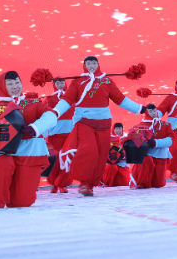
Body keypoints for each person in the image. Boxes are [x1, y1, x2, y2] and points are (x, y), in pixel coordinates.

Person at [53, 56, 145, 197]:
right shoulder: (77, 82)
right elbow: (67, 100)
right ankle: (84, 182)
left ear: (98, 65)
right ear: (84, 66)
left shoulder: (107, 81)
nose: (91, 65)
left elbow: (120, 99)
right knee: (89, 151)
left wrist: (138, 108)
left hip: (104, 123)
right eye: (88, 63)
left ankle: (89, 185)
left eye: (94, 63)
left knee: (101, 156)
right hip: (84, 122)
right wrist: (55, 112)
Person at [0, 71, 57, 209]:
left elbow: (51, 116)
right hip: (2, 152)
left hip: (28, 153)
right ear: (2, 87)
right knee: (2, 162)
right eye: (10, 83)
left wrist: (36, 128)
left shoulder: (33, 104)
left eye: (17, 82)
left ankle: (12, 198)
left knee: (22, 202)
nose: (15, 86)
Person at [130, 104, 175, 189]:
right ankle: (141, 183)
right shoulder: (140, 126)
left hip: (160, 154)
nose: (153, 113)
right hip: (146, 154)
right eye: (150, 111)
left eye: (154, 111)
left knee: (158, 184)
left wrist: (156, 143)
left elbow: (171, 140)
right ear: (146, 112)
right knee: (146, 161)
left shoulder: (165, 125)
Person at [44, 78, 74, 192]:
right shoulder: (49, 98)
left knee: (67, 159)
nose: (60, 84)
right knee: (54, 159)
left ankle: (62, 184)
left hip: (69, 134)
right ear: (54, 85)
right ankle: (53, 184)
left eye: (62, 82)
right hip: (54, 133)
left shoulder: (72, 97)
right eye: (57, 83)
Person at [101, 123, 130, 187]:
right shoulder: (108, 138)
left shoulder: (126, 138)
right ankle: (107, 182)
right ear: (113, 130)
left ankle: (114, 181)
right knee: (111, 167)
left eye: (120, 129)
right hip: (111, 162)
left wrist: (124, 154)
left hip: (122, 162)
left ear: (122, 129)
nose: (118, 131)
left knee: (125, 183)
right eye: (116, 129)